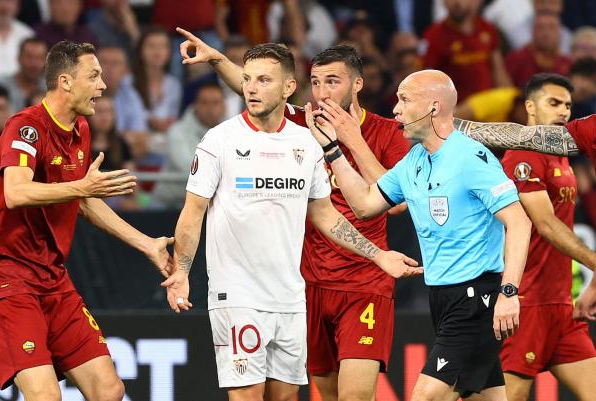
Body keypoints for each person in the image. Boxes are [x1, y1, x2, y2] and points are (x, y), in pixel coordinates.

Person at [162, 43, 421, 401]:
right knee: (284, 395)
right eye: (315, 83)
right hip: (284, 286)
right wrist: (220, 60)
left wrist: (351, 142)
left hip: (338, 288)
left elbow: (370, 208)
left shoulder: (355, 135)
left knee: (335, 396)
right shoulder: (266, 132)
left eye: (333, 82)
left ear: (357, 84)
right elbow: (261, 91)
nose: (323, 93)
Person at [306, 69, 531, 400]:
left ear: (434, 107)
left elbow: (520, 222)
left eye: (405, 99)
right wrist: (333, 151)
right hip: (442, 296)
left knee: (425, 396)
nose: (395, 108)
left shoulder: (471, 157)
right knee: (488, 395)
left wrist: (508, 292)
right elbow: (365, 204)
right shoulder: (414, 160)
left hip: (477, 296)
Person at [0, 40, 174, 399]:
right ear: (65, 81)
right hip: (8, 280)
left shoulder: (80, 128)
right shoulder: (25, 128)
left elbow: (82, 201)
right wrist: (82, 186)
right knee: (47, 397)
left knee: (109, 389)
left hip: (53, 279)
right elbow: (16, 192)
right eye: (94, 76)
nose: (103, 85)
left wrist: (146, 244)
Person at [500, 73, 596, 401]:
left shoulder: (562, 155)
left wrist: (590, 285)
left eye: (568, 105)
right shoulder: (520, 157)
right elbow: (546, 224)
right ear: (530, 107)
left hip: (563, 306)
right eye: (553, 103)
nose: (563, 112)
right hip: (527, 303)